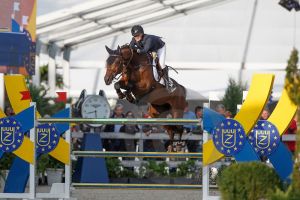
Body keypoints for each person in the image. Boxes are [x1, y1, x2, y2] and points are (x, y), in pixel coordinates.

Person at [129, 25, 176, 93]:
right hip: (150, 49)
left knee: (161, 65)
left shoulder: (148, 39)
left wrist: (136, 50)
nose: (137, 37)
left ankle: (169, 83)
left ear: (142, 33)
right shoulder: (134, 39)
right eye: (135, 36)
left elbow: (145, 50)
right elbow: (131, 47)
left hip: (160, 48)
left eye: (138, 35)